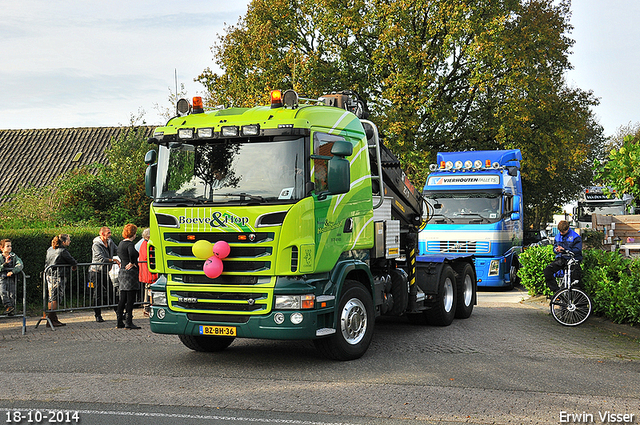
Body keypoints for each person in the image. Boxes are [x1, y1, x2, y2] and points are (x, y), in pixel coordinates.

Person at [44, 234, 78, 327]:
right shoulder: (63, 251)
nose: (69, 241)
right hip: (58, 275)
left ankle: (53, 318)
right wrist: (74, 265)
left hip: (49, 274)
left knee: (51, 296)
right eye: (68, 240)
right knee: (56, 297)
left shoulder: (50, 249)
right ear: (63, 242)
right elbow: (72, 261)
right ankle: (51, 319)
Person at [89, 227, 120, 322]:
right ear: (102, 234)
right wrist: (113, 260)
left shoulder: (110, 242)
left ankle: (119, 313)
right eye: (108, 233)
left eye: (110, 233)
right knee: (97, 293)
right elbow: (101, 259)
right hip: (96, 271)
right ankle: (97, 315)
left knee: (111, 291)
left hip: (105, 271)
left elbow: (117, 250)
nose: (110, 234)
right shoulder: (96, 245)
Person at [543, 220, 583, 295]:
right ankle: (557, 292)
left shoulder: (576, 237)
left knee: (575, 281)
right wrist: (556, 249)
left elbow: (578, 250)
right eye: (560, 231)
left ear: (568, 229)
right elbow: (554, 247)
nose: (561, 233)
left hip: (572, 260)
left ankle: (579, 303)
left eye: (563, 232)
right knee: (547, 271)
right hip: (561, 259)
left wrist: (565, 250)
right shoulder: (557, 236)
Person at [116, 224, 141, 329]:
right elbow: (133, 253)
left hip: (122, 271)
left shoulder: (121, 244)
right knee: (130, 298)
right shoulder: (130, 244)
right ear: (133, 233)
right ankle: (129, 321)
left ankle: (119, 321)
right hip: (130, 273)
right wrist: (132, 262)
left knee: (122, 298)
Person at [0, 239, 24, 316]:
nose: (10, 248)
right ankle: (8, 306)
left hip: (12, 278)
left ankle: (11, 310)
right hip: (2, 278)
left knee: (12, 294)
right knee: (2, 292)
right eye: (7, 246)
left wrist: (13, 271)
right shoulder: (0, 257)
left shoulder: (14, 256)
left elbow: (20, 264)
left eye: (10, 246)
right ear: (2, 248)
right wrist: (4, 264)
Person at [138, 228, 157, 317]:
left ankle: (147, 307)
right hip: (149, 271)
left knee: (148, 288)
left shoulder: (143, 244)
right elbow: (148, 257)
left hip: (146, 271)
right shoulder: (147, 244)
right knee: (149, 289)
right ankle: (147, 307)